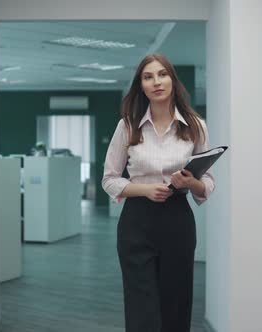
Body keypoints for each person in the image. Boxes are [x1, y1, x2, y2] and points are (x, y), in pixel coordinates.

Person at [102, 53, 215, 332]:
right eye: (148, 76)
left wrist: (191, 182)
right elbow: (109, 179)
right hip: (136, 221)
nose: (156, 82)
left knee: (176, 304)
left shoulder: (195, 126)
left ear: (172, 80)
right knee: (141, 308)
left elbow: (208, 182)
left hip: (178, 220)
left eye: (162, 74)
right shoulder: (127, 125)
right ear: (141, 85)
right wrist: (144, 190)